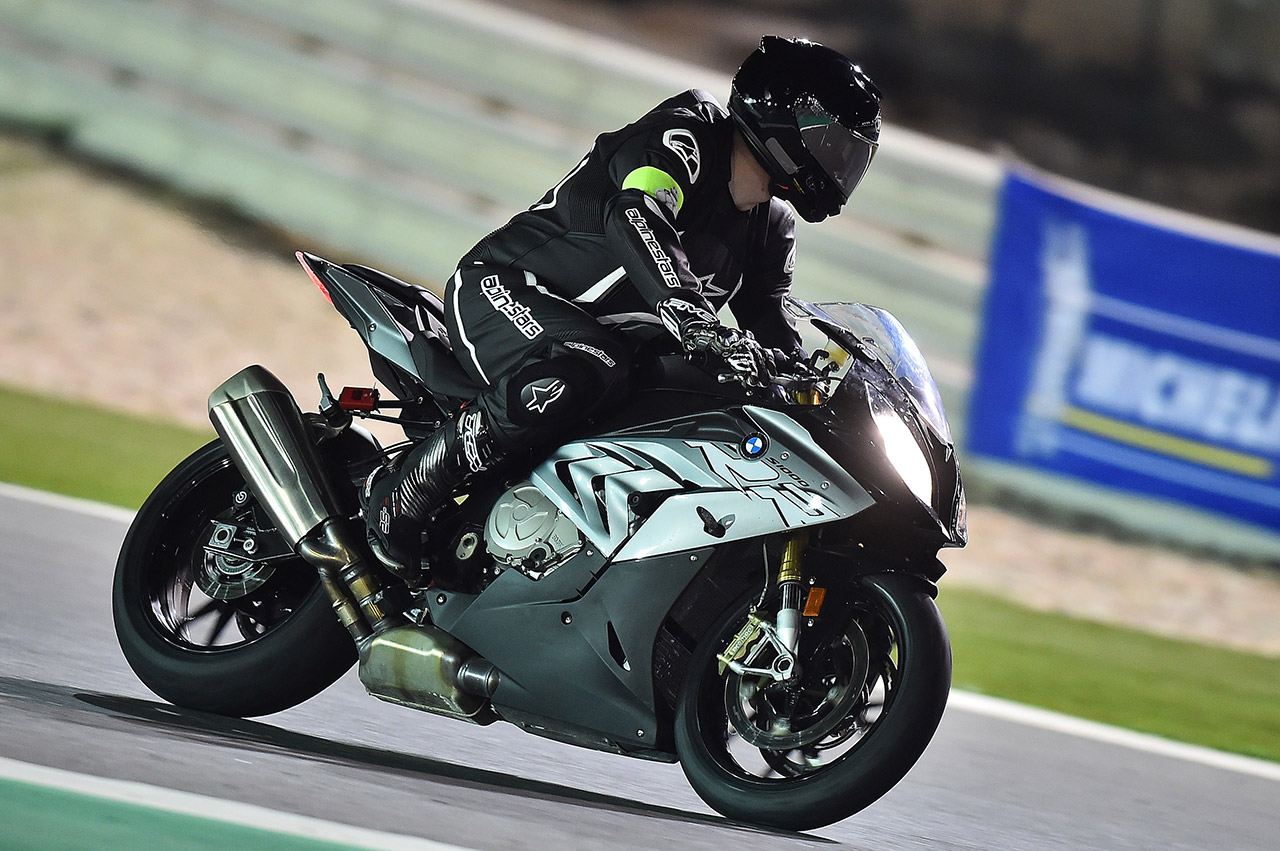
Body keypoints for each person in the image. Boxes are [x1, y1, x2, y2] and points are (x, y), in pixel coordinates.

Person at [364, 35, 883, 572]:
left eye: (851, 155)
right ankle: (408, 494)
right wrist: (688, 311)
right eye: (835, 144)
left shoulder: (770, 227)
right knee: (592, 365)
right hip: (506, 288)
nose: (842, 164)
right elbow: (636, 212)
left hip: (605, 349)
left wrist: (810, 380)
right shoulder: (689, 133)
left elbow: (770, 320)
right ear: (783, 117)